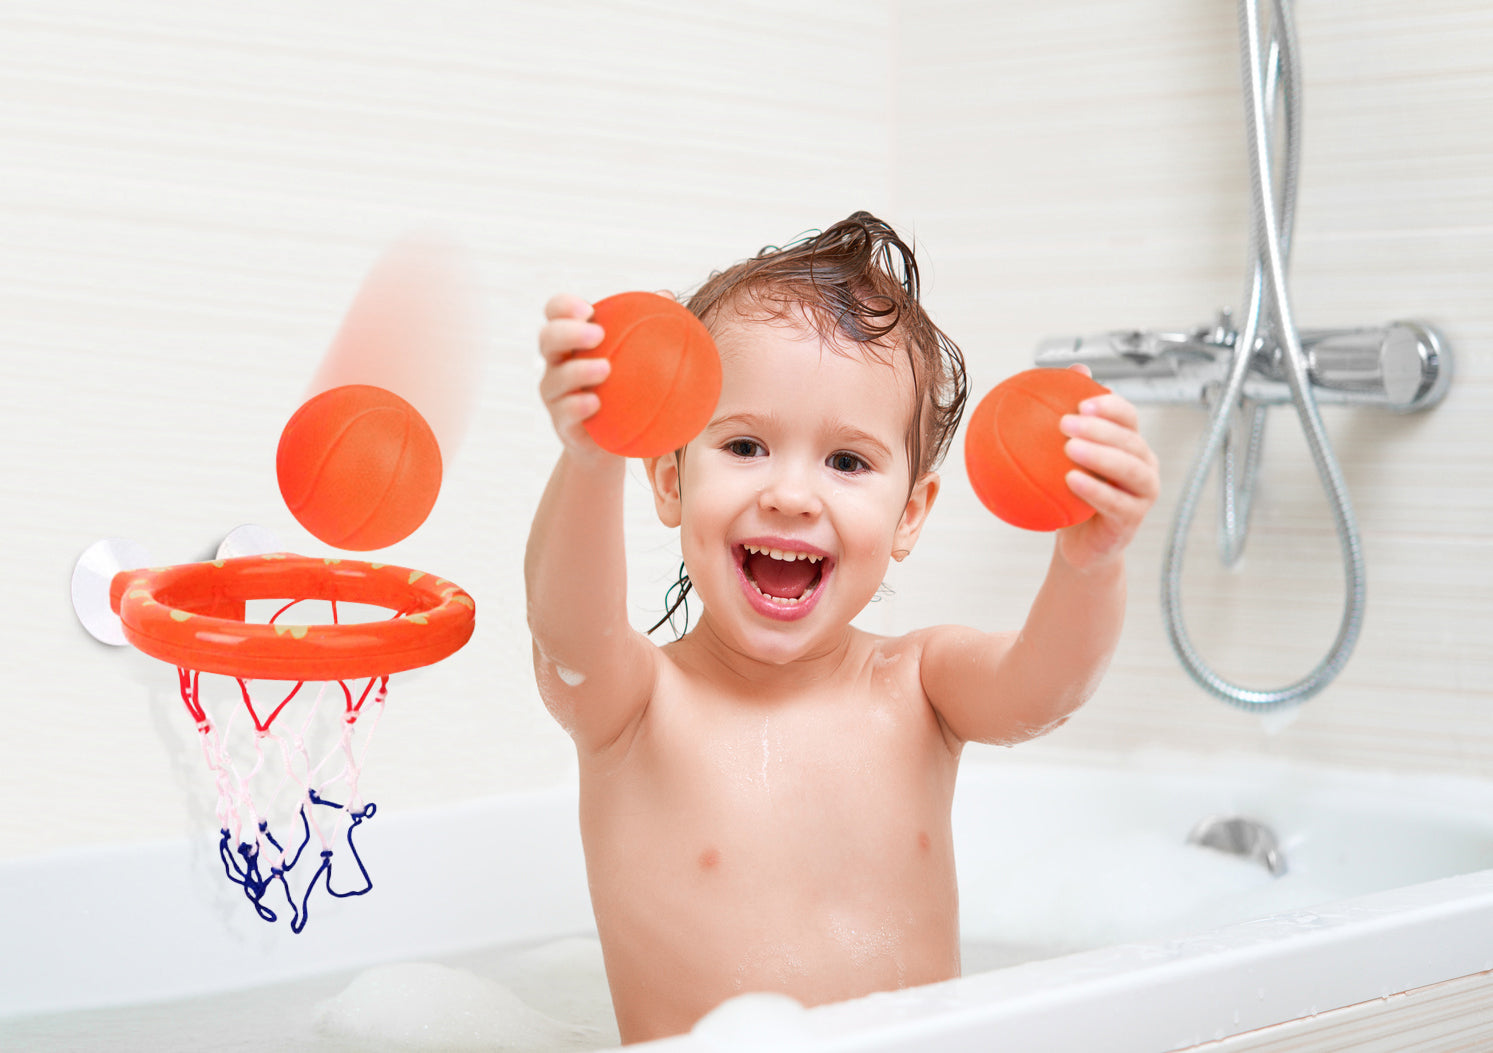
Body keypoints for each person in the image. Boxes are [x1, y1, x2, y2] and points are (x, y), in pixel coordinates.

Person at [525, 211, 1160, 1043]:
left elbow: (1043, 689)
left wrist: (1090, 563)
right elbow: (569, 633)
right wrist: (588, 458)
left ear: (910, 513)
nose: (791, 493)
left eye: (848, 461)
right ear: (669, 479)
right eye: (745, 445)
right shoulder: (639, 705)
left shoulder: (920, 683)